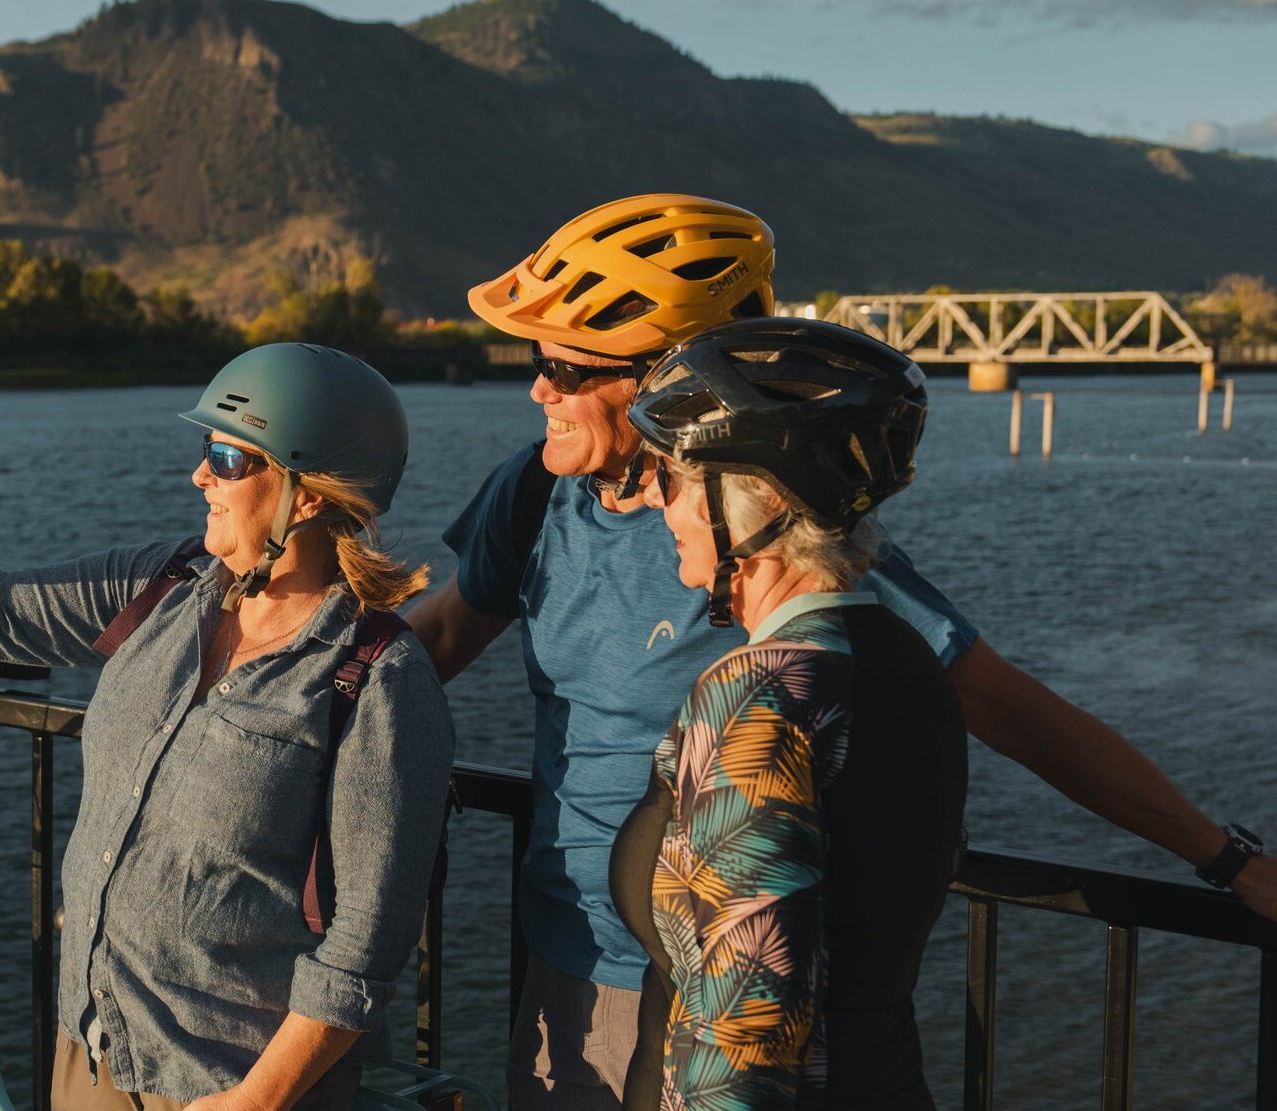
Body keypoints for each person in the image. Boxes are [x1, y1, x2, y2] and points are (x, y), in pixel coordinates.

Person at [405, 193, 1273, 1109]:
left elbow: (1008, 709)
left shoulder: (784, 536)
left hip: (718, 995)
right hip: (561, 969)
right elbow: (439, 635)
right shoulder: (536, 495)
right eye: (540, 360)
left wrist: (1224, 859)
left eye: (568, 366)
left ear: (671, 374)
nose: (538, 389)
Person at [0, 343, 456, 1111]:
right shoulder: (165, 586)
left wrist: (257, 1100)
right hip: (93, 1057)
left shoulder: (377, 680)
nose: (200, 473)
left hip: (231, 1087)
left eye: (229, 456)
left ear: (307, 496)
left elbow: (364, 946)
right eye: (207, 450)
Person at [610, 318, 965, 1109]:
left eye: (669, 478)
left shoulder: (760, 695)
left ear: (754, 502)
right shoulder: (903, 656)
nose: (658, 506)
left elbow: (747, 1031)